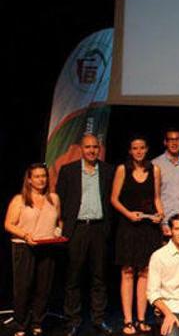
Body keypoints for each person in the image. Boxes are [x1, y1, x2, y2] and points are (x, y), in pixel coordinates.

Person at [56, 134, 113, 336]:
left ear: (99, 148)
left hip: (99, 228)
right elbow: (59, 201)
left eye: (95, 147)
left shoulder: (107, 170)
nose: (91, 150)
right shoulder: (68, 171)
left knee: (99, 277)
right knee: (73, 277)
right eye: (87, 147)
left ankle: (98, 320)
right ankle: (72, 320)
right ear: (81, 148)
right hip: (76, 229)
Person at [111, 136, 164, 335]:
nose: (139, 151)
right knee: (127, 271)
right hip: (128, 226)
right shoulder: (122, 170)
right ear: (130, 151)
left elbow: (157, 198)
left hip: (148, 227)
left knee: (145, 272)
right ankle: (127, 320)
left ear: (147, 149)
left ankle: (141, 318)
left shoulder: (155, 170)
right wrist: (128, 214)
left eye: (142, 148)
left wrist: (161, 215)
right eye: (135, 148)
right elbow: (114, 199)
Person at [4, 163, 62, 336]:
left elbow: (59, 221)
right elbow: (8, 224)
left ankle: (37, 322)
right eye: (36, 176)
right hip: (24, 247)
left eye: (43, 175)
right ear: (29, 180)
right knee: (23, 287)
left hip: (47, 247)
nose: (41, 179)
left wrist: (58, 232)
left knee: (43, 287)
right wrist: (25, 235)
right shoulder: (19, 200)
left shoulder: (54, 198)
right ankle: (20, 324)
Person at [152, 128, 179, 236]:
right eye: (170, 140)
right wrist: (161, 221)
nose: (174, 143)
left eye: (177, 139)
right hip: (164, 220)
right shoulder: (156, 164)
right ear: (165, 142)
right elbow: (154, 195)